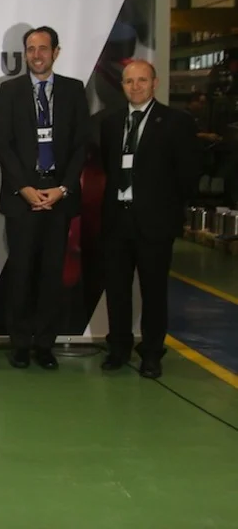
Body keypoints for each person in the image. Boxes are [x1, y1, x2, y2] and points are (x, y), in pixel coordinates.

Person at [0, 27, 89, 370]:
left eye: (43, 48)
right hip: (22, 197)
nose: (36, 55)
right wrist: (24, 187)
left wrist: (63, 189)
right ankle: (21, 344)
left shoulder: (74, 90)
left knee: (52, 274)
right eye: (31, 49)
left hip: (59, 196)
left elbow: (81, 144)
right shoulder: (10, 90)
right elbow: (3, 144)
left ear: (56, 52)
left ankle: (45, 344)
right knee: (21, 273)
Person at [100, 60, 198, 379]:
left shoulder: (176, 122)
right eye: (129, 81)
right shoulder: (111, 123)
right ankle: (118, 348)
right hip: (117, 219)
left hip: (155, 223)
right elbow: (109, 167)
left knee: (154, 292)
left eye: (142, 80)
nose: (136, 86)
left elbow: (187, 175)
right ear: (122, 86)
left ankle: (152, 353)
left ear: (154, 83)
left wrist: (167, 211)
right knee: (117, 289)